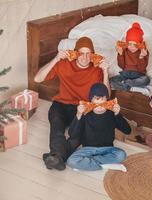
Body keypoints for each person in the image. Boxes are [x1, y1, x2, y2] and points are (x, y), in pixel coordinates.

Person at [34, 36, 110, 170]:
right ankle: (58, 156)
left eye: (88, 54)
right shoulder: (63, 64)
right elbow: (37, 78)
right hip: (62, 104)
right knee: (56, 125)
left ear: (93, 55)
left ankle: (57, 157)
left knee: (79, 134)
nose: (85, 57)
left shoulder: (97, 69)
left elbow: (106, 97)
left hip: (83, 107)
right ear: (75, 53)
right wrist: (56, 59)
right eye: (81, 53)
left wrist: (105, 72)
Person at [66, 83, 131, 171]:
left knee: (121, 155)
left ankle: (87, 164)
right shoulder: (85, 114)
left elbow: (128, 130)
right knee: (71, 161)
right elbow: (72, 134)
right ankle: (105, 165)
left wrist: (117, 114)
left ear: (107, 100)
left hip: (107, 148)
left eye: (103, 101)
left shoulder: (111, 114)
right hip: (87, 149)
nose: (100, 105)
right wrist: (79, 114)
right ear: (91, 101)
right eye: (96, 100)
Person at [110, 22, 150, 96]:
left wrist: (141, 57)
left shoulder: (144, 52)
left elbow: (142, 69)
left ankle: (126, 84)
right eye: (129, 44)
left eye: (135, 45)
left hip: (139, 74)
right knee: (111, 81)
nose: (132, 47)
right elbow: (121, 66)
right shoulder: (124, 50)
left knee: (146, 80)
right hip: (125, 74)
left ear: (140, 43)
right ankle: (129, 87)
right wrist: (120, 54)